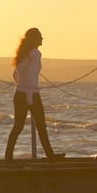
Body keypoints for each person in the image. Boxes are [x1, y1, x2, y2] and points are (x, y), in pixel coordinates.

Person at [5, 28, 64, 161]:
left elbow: (16, 73)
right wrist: (30, 97)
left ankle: (8, 157)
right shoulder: (35, 54)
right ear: (35, 39)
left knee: (18, 126)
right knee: (40, 126)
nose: (42, 39)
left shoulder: (25, 54)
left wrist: (20, 86)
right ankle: (51, 156)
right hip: (30, 94)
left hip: (20, 93)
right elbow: (30, 77)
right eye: (40, 37)